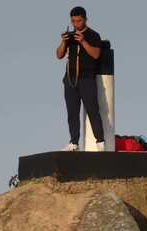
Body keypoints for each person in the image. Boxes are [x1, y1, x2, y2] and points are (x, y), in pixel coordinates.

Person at [56, 6, 105, 152]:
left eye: (79, 21)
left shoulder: (93, 35)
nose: (76, 24)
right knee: (72, 112)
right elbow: (59, 55)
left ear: (85, 19)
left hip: (87, 78)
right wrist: (64, 41)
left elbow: (96, 54)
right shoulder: (69, 36)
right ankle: (74, 142)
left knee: (92, 110)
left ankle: (100, 142)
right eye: (73, 21)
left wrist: (83, 41)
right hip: (70, 79)